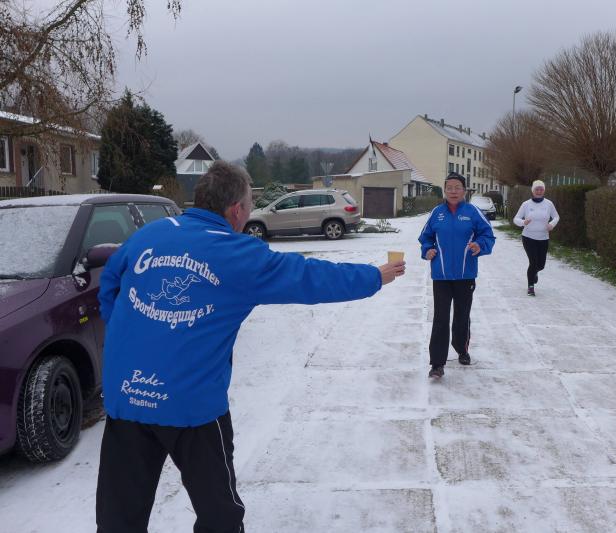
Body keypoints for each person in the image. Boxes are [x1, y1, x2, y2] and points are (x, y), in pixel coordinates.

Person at [95, 161, 405, 533]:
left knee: (118, 520)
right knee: (219, 516)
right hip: (191, 406)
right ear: (237, 210)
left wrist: (129, 333)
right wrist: (374, 276)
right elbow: (309, 277)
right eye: (249, 205)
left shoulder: (150, 234)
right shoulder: (238, 254)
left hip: (127, 394)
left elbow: (110, 282)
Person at [419, 172, 495, 379]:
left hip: (465, 275)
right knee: (441, 318)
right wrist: (427, 250)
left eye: (457, 187)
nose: (453, 191)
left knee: (462, 315)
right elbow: (425, 237)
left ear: (464, 191)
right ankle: (437, 363)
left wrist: (480, 245)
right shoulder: (437, 213)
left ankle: (462, 349)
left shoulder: (473, 212)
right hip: (441, 275)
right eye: (449, 188)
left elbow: (488, 235)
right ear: (445, 190)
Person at [513, 179, 559, 296]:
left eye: (541, 189)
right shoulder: (526, 204)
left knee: (541, 265)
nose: (539, 191)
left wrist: (551, 224)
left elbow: (556, 217)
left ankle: (535, 272)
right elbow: (516, 219)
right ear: (533, 191)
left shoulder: (549, 204)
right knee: (533, 263)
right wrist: (523, 222)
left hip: (543, 238)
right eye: (536, 189)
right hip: (528, 237)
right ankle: (530, 287)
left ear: (544, 191)